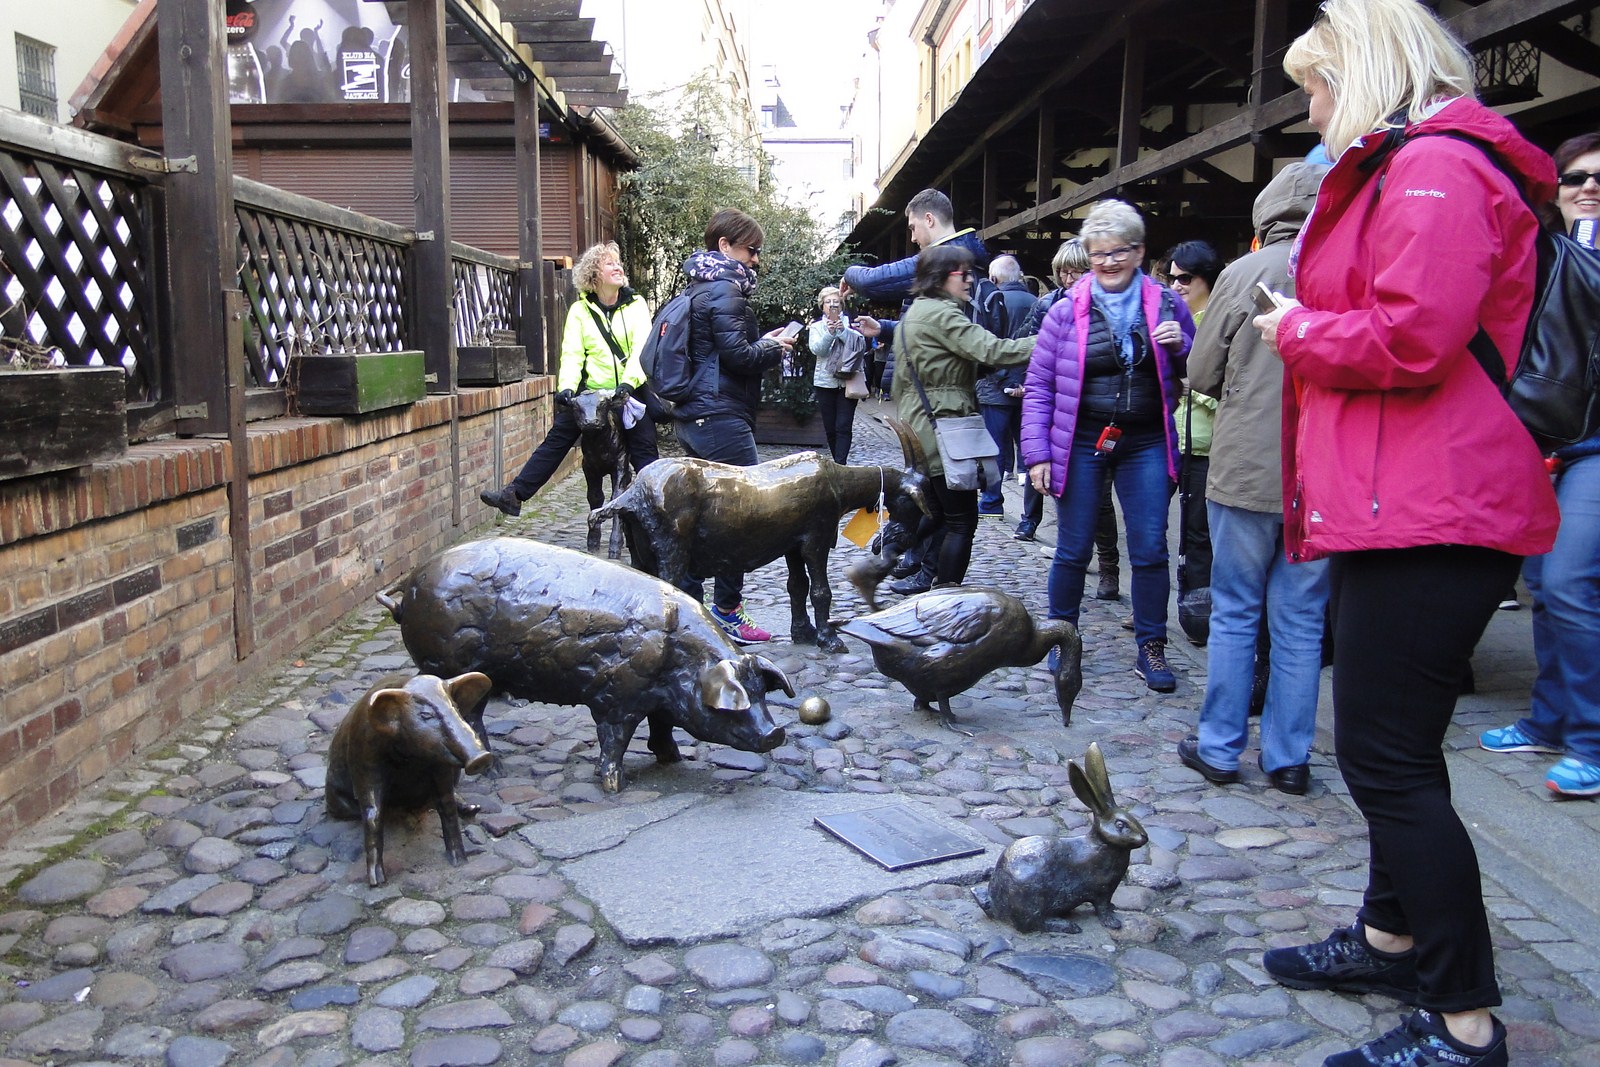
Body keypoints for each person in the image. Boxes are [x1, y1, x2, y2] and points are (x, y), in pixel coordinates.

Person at [1250, 3, 1561, 1065]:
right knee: (1394, 747)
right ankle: (1391, 938)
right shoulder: (1431, 162)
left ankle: (1464, 1020)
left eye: (1317, 86)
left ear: (1366, 73)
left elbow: (1414, 335)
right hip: (1420, 501)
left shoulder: (1432, 165)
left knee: (1384, 758)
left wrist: (1298, 328)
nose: (1311, 110)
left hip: (1435, 506)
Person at [1176, 163, 1331, 798]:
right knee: (1301, 620)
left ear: (1265, 217)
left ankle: (1219, 747)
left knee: (1236, 610)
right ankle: (1289, 757)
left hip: (1245, 466)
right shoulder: (1346, 266)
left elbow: (1200, 372)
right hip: (1320, 473)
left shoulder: (1242, 274)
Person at [1020, 199, 1196, 692]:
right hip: (1080, 439)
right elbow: (1040, 387)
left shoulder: (1168, 304)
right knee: (1073, 548)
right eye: (1099, 253)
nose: (1109, 262)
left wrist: (1182, 345)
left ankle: (1152, 645)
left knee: (1150, 547)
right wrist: (1037, 454)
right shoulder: (1063, 312)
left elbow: (1203, 369)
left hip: (1146, 439)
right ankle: (1062, 637)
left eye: (1119, 251)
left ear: (1139, 252)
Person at [1478, 130, 1600, 799]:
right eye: (1575, 177)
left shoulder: (1579, 253)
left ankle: (1591, 740)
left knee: (1572, 581)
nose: (1589, 187)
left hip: (1594, 444)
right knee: (1547, 586)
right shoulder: (1546, 250)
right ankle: (1550, 720)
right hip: (1548, 434)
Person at [841, 188, 996, 595]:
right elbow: (936, 333)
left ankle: (896, 563)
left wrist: (849, 273)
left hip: (940, 409)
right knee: (936, 501)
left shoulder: (947, 257)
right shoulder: (952, 264)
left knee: (936, 501)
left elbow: (873, 280)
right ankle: (904, 565)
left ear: (930, 220)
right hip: (932, 408)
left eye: (912, 227)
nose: (911, 237)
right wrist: (887, 329)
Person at [670, 208, 797, 643]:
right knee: (742, 517)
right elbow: (739, 356)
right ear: (724, 246)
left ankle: (690, 607)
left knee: (702, 518)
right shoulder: (726, 289)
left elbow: (722, 352)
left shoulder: (698, 286)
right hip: (720, 418)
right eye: (751, 249)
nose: (756, 259)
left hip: (695, 417)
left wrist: (760, 342)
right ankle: (726, 611)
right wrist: (774, 347)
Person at [480, 241, 657, 518]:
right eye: (610, 263)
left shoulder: (636, 305)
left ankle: (656, 512)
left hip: (627, 391)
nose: (618, 267)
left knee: (644, 449)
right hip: (592, 395)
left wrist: (627, 384)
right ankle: (514, 495)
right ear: (594, 275)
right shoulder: (580, 311)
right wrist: (567, 387)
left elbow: (641, 350)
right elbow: (573, 353)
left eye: (618, 263)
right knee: (557, 438)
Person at [893, 245, 1035, 587]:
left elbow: (906, 380)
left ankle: (882, 560)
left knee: (939, 513)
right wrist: (1048, 340)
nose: (971, 280)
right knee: (961, 520)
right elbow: (994, 350)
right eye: (964, 274)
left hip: (922, 424)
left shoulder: (915, 313)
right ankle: (946, 599)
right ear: (941, 277)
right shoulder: (943, 314)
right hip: (944, 426)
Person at [1016, 242, 1122, 600]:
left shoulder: (1112, 307)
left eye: (1076, 270)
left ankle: (1109, 566)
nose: (1068, 277)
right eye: (1063, 270)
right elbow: (1033, 353)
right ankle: (1074, 554)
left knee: (1101, 498)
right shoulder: (1049, 305)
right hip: (1060, 415)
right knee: (1063, 489)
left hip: (1099, 417)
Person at [1165, 241, 1224, 645]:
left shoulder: (1219, 324)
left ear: (1207, 278)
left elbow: (1229, 392)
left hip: (1205, 447)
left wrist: (1192, 386)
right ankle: (1155, 604)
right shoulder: (1171, 319)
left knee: (1198, 535)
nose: (1177, 285)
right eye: (1172, 278)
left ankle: (1197, 614)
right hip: (1170, 442)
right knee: (1157, 529)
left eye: (1185, 278)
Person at [976, 255, 1037, 517]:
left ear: (994, 278)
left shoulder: (990, 302)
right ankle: (1029, 516)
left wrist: (1002, 378)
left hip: (994, 389)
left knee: (994, 449)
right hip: (1030, 388)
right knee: (1031, 448)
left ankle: (991, 502)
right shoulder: (1036, 302)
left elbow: (985, 346)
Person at [807, 286, 867, 465]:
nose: (832, 305)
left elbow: (858, 347)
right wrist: (830, 333)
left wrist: (843, 332)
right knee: (831, 428)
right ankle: (836, 462)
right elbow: (818, 350)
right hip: (825, 383)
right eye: (828, 302)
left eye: (836, 302)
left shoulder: (850, 324)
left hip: (848, 381)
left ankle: (841, 465)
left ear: (841, 305)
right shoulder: (816, 327)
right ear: (822, 306)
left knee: (843, 426)